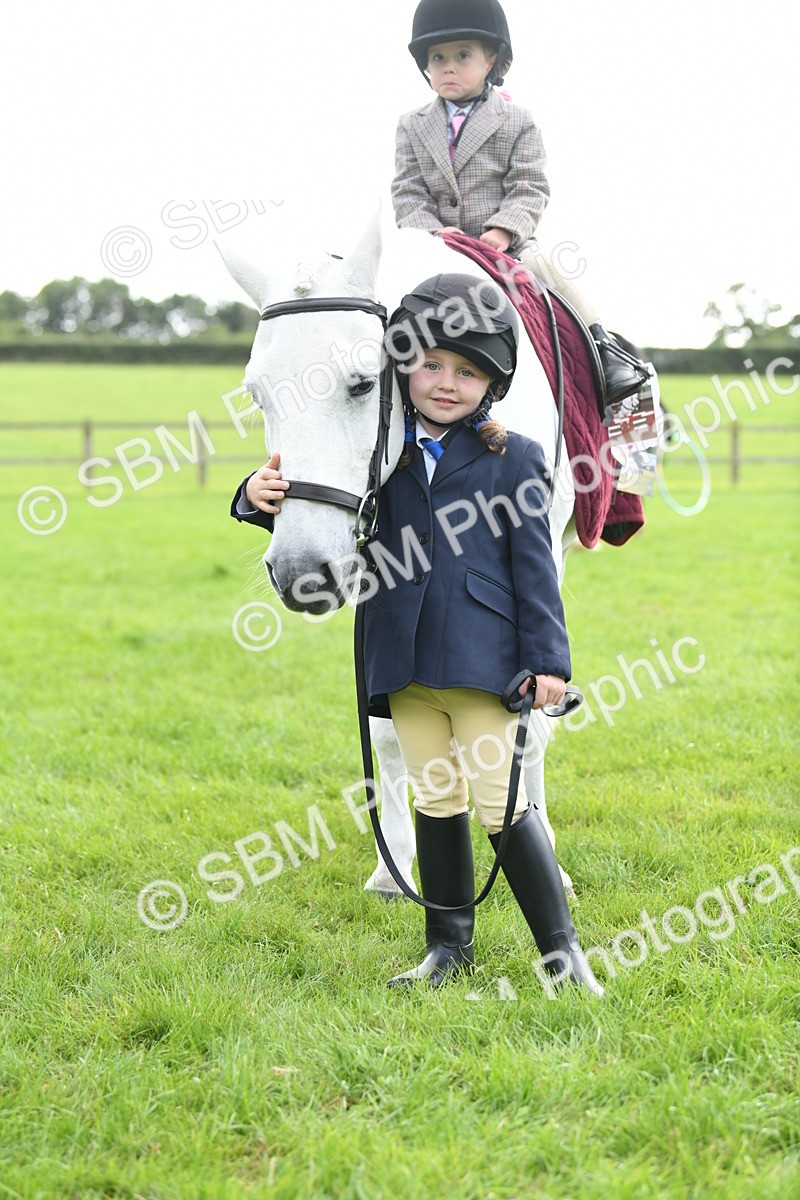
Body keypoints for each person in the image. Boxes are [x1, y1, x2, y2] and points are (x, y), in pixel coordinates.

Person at [231, 272, 603, 997]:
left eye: (466, 372)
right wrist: (251, 498)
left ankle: (563, 953)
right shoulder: (382, 458)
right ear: (403, 368)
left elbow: (536, 573)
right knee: (437, 799)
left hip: (483, 664)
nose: (444, 383)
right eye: (430, 365)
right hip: (403, 662)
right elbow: (320, 501)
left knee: (502, 803)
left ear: (491, 385)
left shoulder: (516, 459)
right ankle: (447, 946)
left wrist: (548, 664)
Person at [392, 0, 649, 417]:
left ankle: (606, 352)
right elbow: (407, 192)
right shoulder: (411, 124)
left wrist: (502, 232)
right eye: (438, 58)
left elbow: (529, 186)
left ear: (490, 59)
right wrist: (433, 238)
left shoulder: (518, 120)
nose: (448, 67)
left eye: (462, 56)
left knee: (546, 266)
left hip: (505, 244)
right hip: (433, 246)